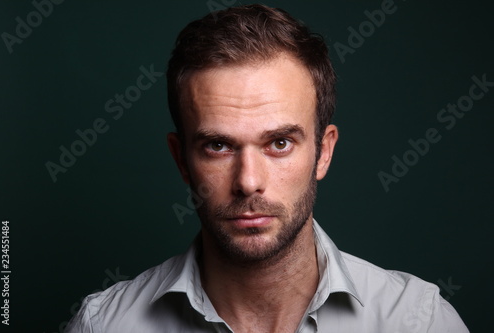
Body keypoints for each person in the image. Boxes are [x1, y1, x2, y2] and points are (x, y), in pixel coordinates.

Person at [66, 4, 469, 332]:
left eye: (279, 143)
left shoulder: (418, 322)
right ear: (181, 160)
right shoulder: (106, 325)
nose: (248, 181)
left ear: (323, 153)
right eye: (218, 146)